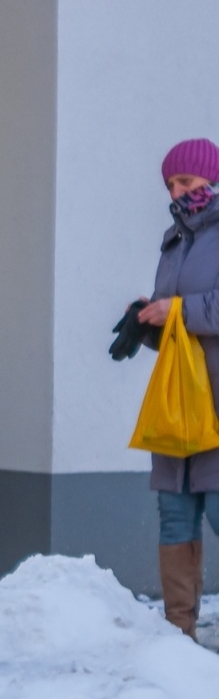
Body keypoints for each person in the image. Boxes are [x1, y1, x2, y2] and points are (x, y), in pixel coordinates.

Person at [135, 137, 219, 638]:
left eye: (185, 181)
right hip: (178, 403)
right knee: (174, 518)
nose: (177, 191)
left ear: (211, 178)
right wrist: (145, 321)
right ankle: (178, 638)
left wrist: (179, 310)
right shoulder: (173, 240)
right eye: (170, 184)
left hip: (215, 403)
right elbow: (176, 317)